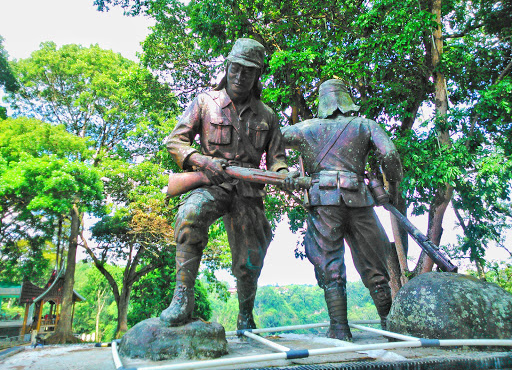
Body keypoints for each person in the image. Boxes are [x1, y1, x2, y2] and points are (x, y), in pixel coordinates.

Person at [161, 38, 291, 330]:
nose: (240, 75)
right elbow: (175, 141)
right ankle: (182, 299)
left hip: (248, 191)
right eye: (236, 68)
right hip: (211, 183)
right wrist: (202, 161)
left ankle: (245, 315)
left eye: (248, 71)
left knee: (250, 258)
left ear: (258, 76)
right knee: (189, 216)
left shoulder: (268, 116)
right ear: (227, 66)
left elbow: (277, 159)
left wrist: (283, 173)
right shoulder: (205, 102)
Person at [282, 79, 403, 341]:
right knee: (375, 266)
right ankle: (389, 325)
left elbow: (271, 140)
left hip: (323, 203)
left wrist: (282, 170)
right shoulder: (366, 125)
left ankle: (339, 328)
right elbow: (390, 156)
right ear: (346, 99)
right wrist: (391, 188)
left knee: (330, 266)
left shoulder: (305, 129)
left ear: (322, 102)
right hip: (360, 199)